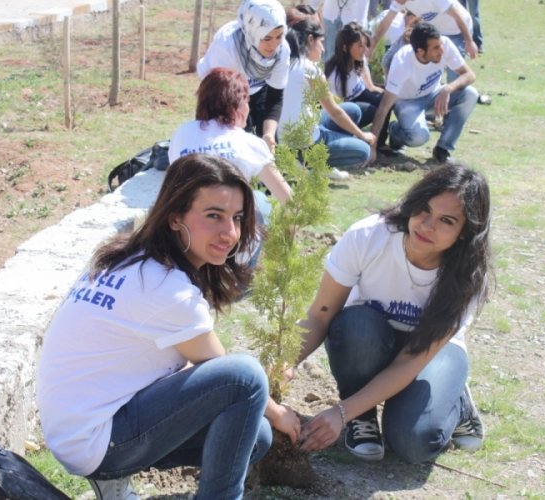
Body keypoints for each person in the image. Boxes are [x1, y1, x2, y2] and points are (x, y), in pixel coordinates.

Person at [37, 155, 300, 500]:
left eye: (236, 218)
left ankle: (113, 484)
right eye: (213, 216)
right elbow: (227, 374)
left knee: (255, 435)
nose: (231, 233)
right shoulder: (166, 288)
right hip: (97, 441)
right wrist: (282, 414)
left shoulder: (131, 260)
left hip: (75, 431)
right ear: (175, 217)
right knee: (246, 376)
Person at [294, 163, 492, 463]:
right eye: (424, 209)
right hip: (369, 338)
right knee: (355, 323)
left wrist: (339, 412)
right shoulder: (368, 237)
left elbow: (411, 361)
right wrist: (281, 365)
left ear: (464, 233)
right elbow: (320, 314)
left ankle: (457, 402)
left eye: (446, 221)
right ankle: (362, 414)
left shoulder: (468, 276)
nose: (427, 225)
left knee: (413, 443)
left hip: (430, 353)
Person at [170, 68, 292, 223]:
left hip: (186, 227)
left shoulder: (182, 133)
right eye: (247, 102)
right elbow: (288, 200)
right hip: (228, 231)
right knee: (260, 199)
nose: (248, 109)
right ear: (238, 105)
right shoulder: (249, 143)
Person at [279, 8, 376, 179]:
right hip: (305, 140)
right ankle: (311, 163)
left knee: (353, 109)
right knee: (363, 150)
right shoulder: (310, 69)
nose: (323, 49)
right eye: (321, 42)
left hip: (283, 136)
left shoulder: (282, 63)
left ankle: (305, 160)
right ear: (310, 40)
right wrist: (362, 135)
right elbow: (335, 111)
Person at [369, 22, 478, 164]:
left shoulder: (444, 44)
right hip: (407, 102)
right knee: (419, 138)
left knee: (470, 94)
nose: (442, 50)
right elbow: (384, 107)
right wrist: (371, 146)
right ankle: (395, 131)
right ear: (420, 51)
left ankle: (443, 149)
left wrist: (448, 88)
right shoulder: (402, 62)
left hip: (434, 94)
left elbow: (470, 75)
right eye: (436, 48)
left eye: (440, 45)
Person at [197, 0, 291, 152]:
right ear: (253, 32)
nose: (273, 45)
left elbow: (275, 97)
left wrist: (268, 134)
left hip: (256, 88)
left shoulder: (282, 50)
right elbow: (225, 102)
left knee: (267, 151)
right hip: (219, 91)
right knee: (228, 148)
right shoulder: (226, 47)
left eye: (279, 36)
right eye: (266, 38)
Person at [325, 22, 390, 150]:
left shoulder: (359, 59)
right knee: (371, 110)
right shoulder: (334, 75)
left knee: (386, 100)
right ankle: (352, 136)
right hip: (344, 105)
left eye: (365, 45)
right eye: (360, 46)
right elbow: (333, 108)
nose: (365, 50)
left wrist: (382, 91)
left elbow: (369, 85)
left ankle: (379, 143)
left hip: (360, 94)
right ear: (345, 48)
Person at [305, 0, 371, 62]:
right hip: (328, 21)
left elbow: (361, 17)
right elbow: (312, 6)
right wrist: (312, 15)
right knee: (325, 58)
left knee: (346, 61)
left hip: (350, 27)